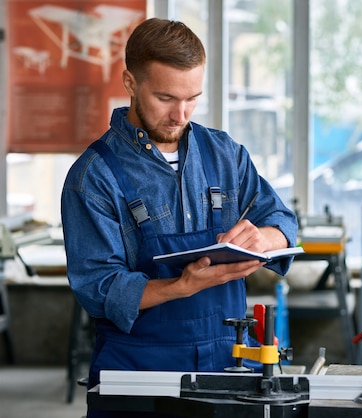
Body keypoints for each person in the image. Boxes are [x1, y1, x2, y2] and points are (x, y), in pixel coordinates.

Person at [61, 18, 298, 416]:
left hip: (226, 359)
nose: (180, 114)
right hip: (137, 370)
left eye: (192, 98)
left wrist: (266, 239)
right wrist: (181, 285)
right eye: (166, 97)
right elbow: (100, 288)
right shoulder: (93, 176)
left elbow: (281, 220)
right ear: (130, 83)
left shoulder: (225, 153)